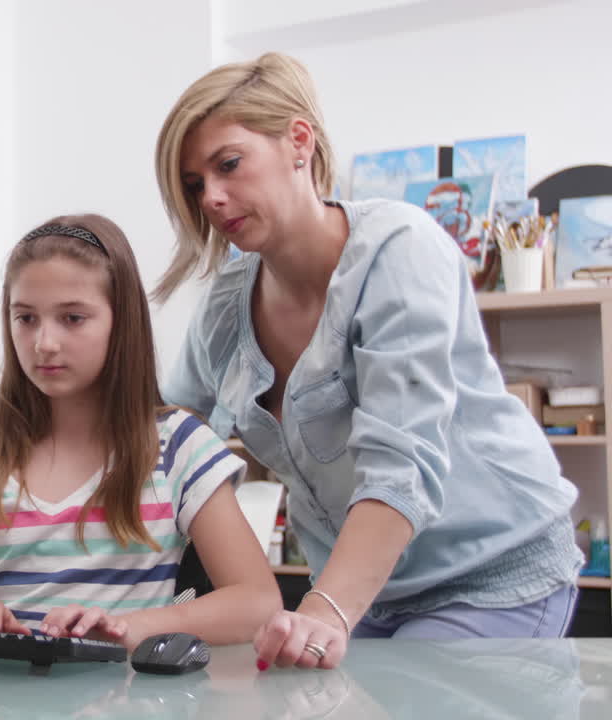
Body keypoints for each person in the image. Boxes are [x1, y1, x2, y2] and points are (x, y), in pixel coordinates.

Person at [152, 52, 584, 670]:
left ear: (299, 141)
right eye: (195, 184)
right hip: (364, 595)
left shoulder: (399, 251)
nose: (213, 198)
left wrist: (325, 610)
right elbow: (170, 436)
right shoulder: (226, 302)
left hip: (488, 572)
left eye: (228, 165)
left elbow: (400, 463)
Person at [0, 214, 281, 650]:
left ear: (120, 323)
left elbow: (257, 604)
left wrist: (128, 628)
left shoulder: (178, 445)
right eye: (25, 318)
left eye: (72, 318)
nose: (44, 342)